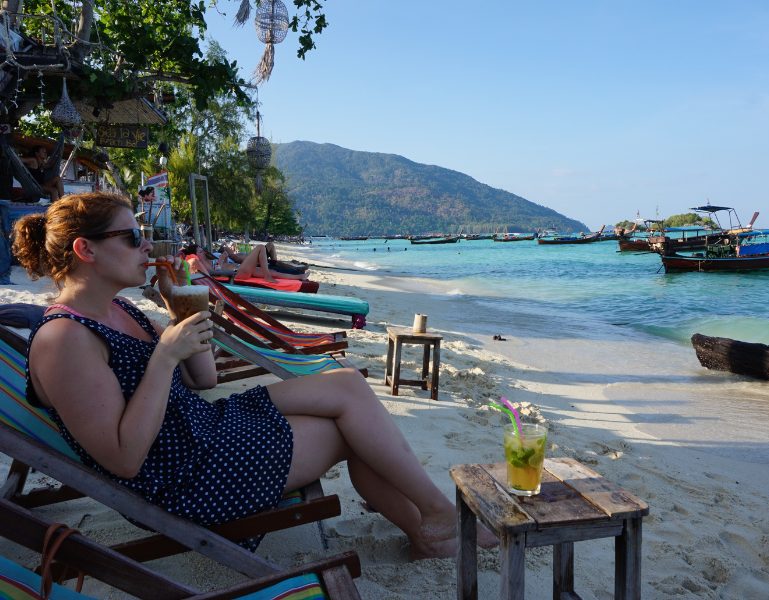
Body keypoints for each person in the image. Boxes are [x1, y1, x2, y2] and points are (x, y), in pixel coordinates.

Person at [12, 192, 494, 559]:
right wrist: (162, 358)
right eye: (132, 237)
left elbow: (202, 379)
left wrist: (178, 305)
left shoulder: (119, 311)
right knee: (351, 432)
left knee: (346, 384)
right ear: (86, 250)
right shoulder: (64, 341)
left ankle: (431, 519)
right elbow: (124, 461)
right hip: (187, 475)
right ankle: (433, 522)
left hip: (200, 428)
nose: (146, 246)